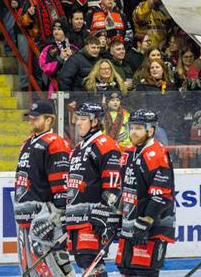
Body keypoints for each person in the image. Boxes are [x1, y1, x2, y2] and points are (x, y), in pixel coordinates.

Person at [13, 99, 73, 277]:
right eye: (30, 118)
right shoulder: (27, 143)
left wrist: (60, 213)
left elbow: (61, 181)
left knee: (52, 266)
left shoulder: (55, 142)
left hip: (44, 217)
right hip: (25, 217)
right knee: (29, 268)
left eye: (35, 118)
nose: (31, 121)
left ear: (49, 119)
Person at [65, 102, 122, 277]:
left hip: (92, 218)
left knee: (91, 261)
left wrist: (103, 212)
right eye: (77, 119)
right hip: (76, 217)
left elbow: (113, 185)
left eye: (83, 119)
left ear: (95, 122)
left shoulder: (105, 145)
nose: (78, 123)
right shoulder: (77, 149)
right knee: (84, 262)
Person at [116, 109, 175, 277]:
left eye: (139, 128)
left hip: (151, 226)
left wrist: (146, 220)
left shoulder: (157, 153)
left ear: (151, 130)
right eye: (132, 127)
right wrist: (118, 216)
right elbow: (124, 187)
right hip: (131, 225)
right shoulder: (128, 153)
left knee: (143, 271)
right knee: (125, 268)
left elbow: (162, 194)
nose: (133, 132)